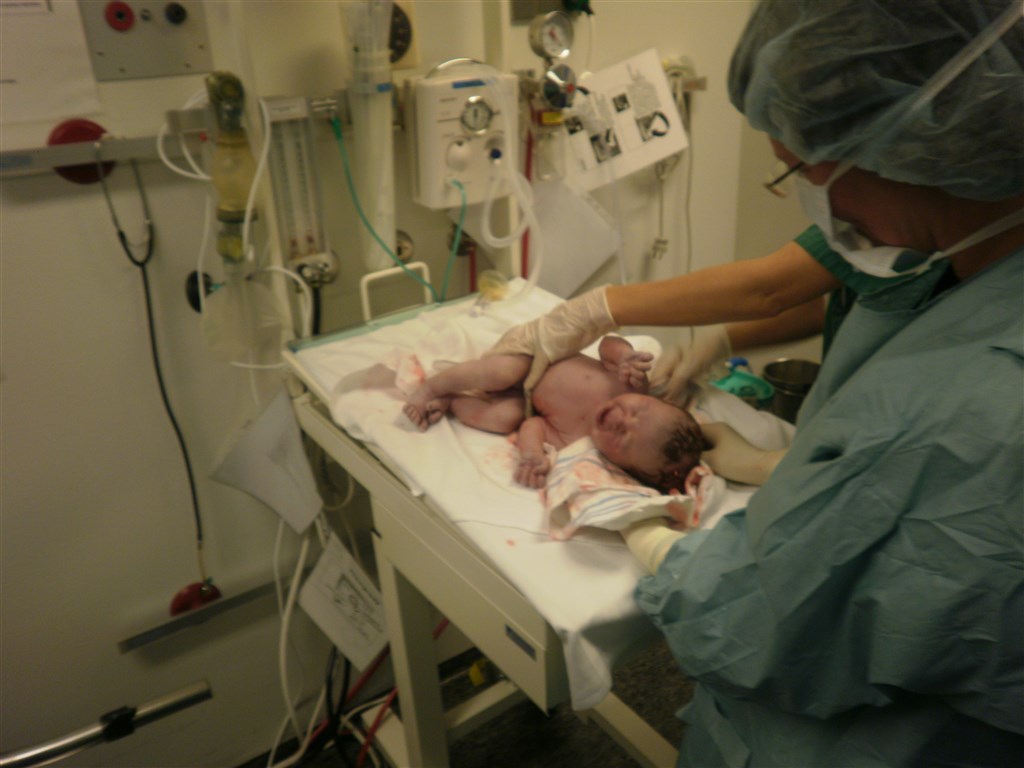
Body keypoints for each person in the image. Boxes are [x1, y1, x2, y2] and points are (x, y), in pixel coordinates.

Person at [500, 1, 1024, 765]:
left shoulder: (956, 408)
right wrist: (718, 345)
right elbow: (831, 284)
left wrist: (643, 528)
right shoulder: (963, 246)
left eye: (798, 169)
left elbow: (764, 620)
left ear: (899, 144)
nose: (815, 205)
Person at [402, 335, 714, 493]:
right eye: (639, 409)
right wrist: (623, 356)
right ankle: (431, 387)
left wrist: (532, 452)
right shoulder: (629, 380)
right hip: (535, 356)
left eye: (622, 435)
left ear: (618, 463)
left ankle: (452, 400)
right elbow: (607, 343)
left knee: (505, 419)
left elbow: (534, 423)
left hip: (522, 397)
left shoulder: (578, 440)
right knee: (502, 372)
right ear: (650, 399)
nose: (622, 417)